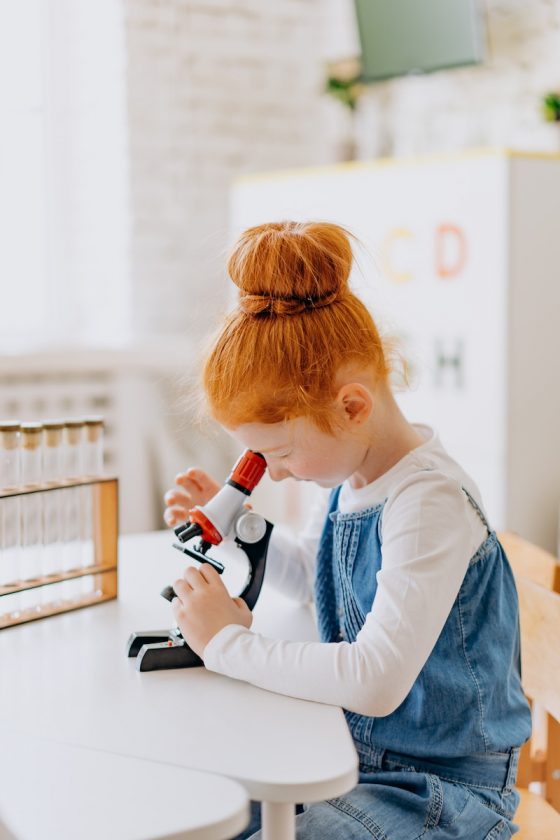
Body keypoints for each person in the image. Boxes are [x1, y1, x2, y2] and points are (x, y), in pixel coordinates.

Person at [164, 220, 531, 839]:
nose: (271, 473)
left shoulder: (428, 500)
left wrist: (227, 644)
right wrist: (234, 529)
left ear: (352, 407)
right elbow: (316, 580)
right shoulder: (348, 477)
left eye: (278, 453)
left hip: (442, 790)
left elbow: (377, 679)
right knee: (197, 812)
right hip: (353, 758)